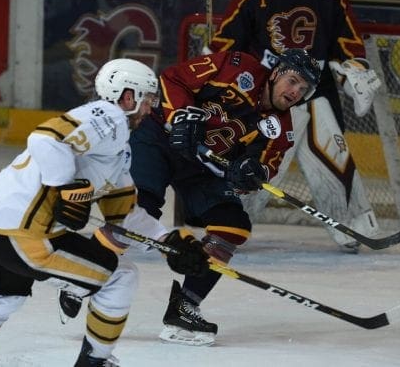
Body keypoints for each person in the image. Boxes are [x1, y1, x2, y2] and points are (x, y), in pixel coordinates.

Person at [0, 58, 210, 367]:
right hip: (24, 234)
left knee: (3, 296)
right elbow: (45, 139)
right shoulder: (110, 116)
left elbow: (124, 215)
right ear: (127, 96)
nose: (150, 109)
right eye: (148, 99)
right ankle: (95, 362)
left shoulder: (117, 147)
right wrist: (66, 188)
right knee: (120, 277)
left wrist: (170, 240)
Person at [129, 48, 321, 346]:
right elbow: (172, 78)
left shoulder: (281, 129)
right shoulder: (236, 67)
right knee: (140, 213)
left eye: (303, 89)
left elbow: (266, 168)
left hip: (201, 170)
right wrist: (181, 116)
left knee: (233, 225)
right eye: (293, 81)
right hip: (162, 139)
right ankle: (89, 269)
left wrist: (250, 174)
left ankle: (185, 306)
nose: (295, 91)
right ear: (277, 72)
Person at [207, 0, 382, 253]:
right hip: (268, 94)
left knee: (332, 153)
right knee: (259, 165)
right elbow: (228, 43)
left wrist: (354, 70)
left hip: (314, 90)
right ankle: (227, 225)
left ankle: (353, 224)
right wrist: (214, 76)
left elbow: (345, 39)